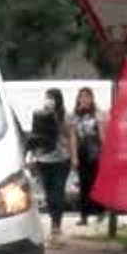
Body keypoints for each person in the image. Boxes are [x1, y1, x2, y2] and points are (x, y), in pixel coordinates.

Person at [28, 87, 74, 242]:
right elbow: (36, 137)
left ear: (58, 99)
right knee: (48, 193)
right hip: (44, 160)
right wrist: (33, 156)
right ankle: (54, 221)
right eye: (47, 96)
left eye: (52, 97)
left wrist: (75, 158)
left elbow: (72, 137)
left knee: (58, 191)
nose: (49, 100)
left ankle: (56, 225)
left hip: (62, 159)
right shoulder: (40, 115)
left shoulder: (65, 116)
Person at [72, 87, 106, 226]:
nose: (84, 99)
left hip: (95, 152)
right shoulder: (75, 115)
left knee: (96, 183)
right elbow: (72, 136)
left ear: (92, 99)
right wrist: (74, 156)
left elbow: (102, 135)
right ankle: (84, 215)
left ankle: (100, 212)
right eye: (82, 96)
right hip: (82, 152)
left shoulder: (97, 115)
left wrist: (105, 153)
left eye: (87, 96)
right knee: (84, 185)